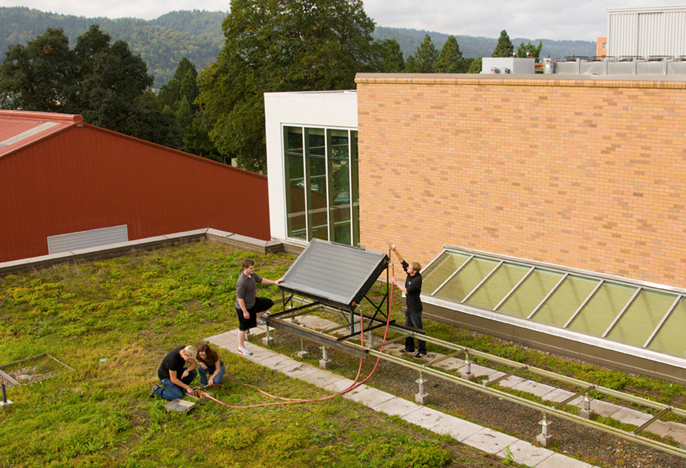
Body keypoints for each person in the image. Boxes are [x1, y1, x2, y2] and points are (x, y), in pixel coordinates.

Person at [235, 259, 284, 356]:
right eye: (251, 268)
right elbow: (239, 298)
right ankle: (240, 347)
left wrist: (274, 282)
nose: (253, 269)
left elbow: (261, 280)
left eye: (253, 267)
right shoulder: (241, 282)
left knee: (268, 303)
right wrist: (245, 311)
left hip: (253, 302)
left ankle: (257, 317)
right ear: (245, 268)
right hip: (244, 307)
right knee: (243, 327)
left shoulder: (252, 275)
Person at [390, 245, 427, 359]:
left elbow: (406, 291)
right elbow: (402, 261)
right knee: (407, 327)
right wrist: (395, 250)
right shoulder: (410, 273)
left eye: (409, 268)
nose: (407, 268)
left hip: (415, 309)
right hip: (409, 307)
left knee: (418, 329)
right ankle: (409, 347)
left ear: (414, 271)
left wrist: (396, 282)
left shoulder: (416, 280)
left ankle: (422, 351)